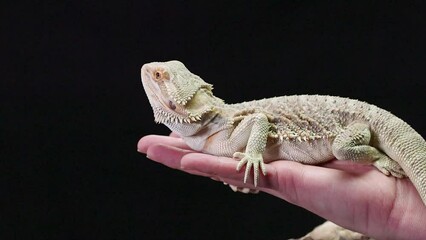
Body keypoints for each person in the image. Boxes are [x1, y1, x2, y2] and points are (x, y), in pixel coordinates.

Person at [138, 134, 426, 240]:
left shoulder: (236, 125)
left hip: (359, 132)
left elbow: (259, 121)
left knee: (341, 148)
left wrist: (376, 159)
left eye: (164, 78)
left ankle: (375, 155)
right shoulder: (218, 134)